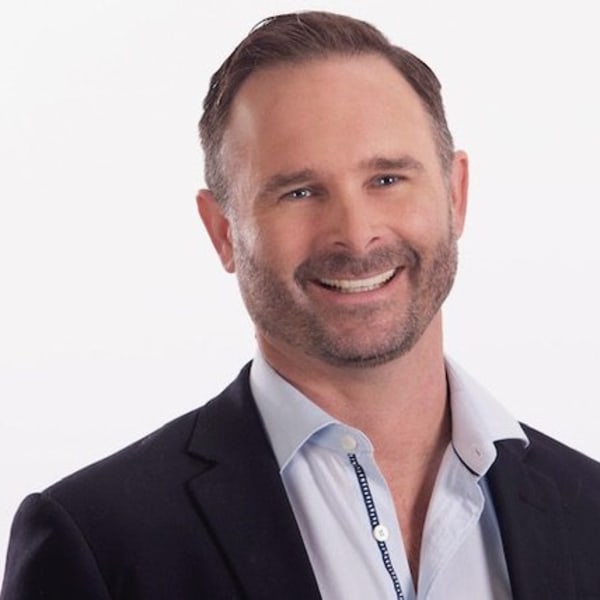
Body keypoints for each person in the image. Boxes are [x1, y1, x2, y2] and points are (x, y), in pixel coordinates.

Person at [2, 10, 600, 600]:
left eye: (387, 179)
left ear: (455, 193)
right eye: (300, 191)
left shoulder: (589, 513)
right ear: (223, 232)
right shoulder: (99, 544)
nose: (356, 236)